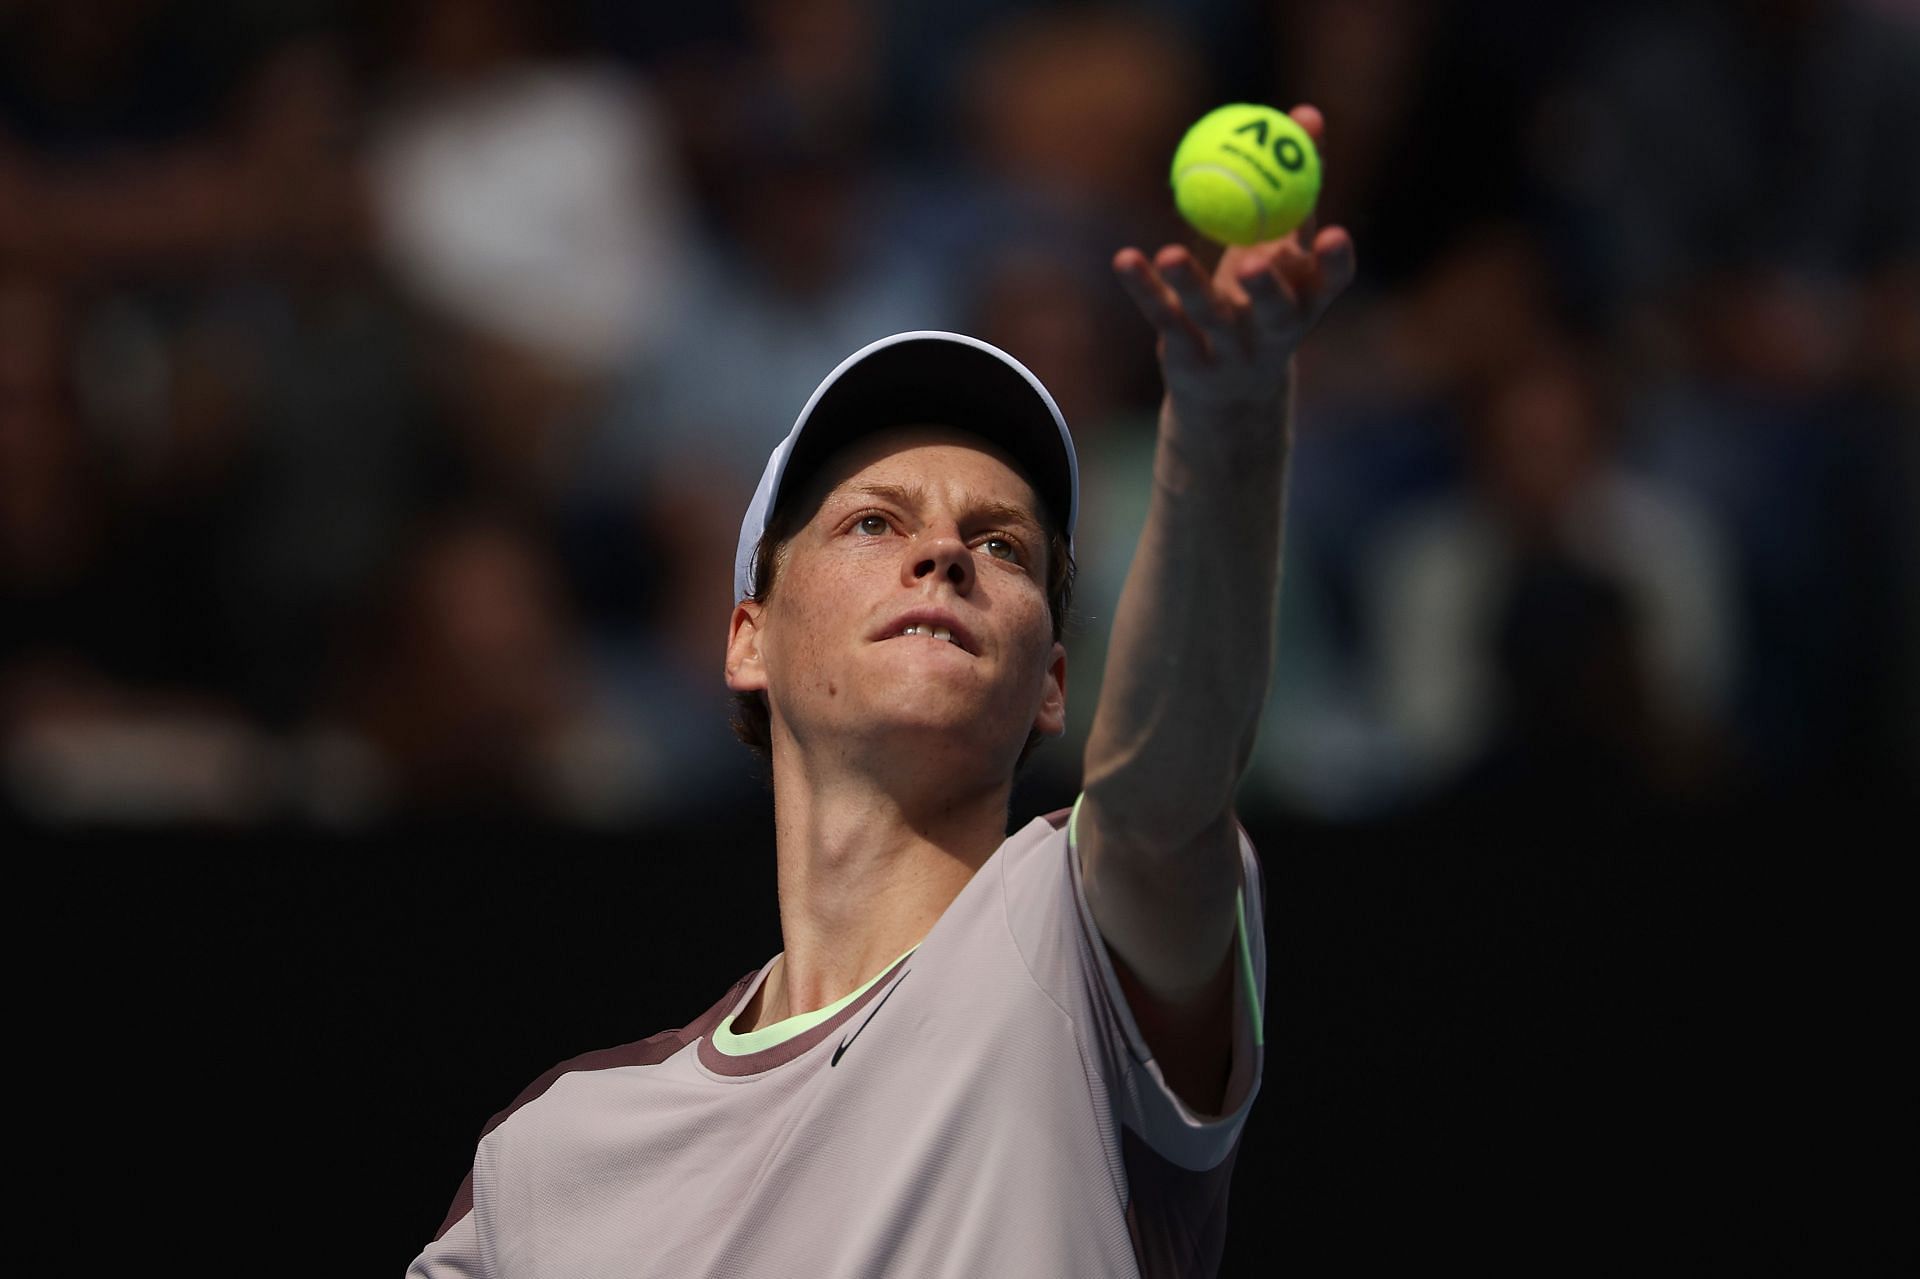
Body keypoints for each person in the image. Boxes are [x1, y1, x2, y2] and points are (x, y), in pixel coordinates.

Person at [408, 104, 1356, 1279]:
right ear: (747, 636)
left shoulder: (1071, 933)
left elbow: (1168, 791)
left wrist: (1223, 418)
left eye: (1004, 546)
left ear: (1053, 684)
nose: (947, 553)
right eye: (873, 522)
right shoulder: (551, 1158)